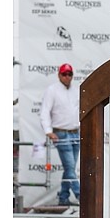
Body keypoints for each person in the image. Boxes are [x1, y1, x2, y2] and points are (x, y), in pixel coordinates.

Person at [40, 63, 81, 206]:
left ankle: (63, 197)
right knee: (70, 167)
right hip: (61, 134)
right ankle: (80, 196)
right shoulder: (52, 90)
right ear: (59, 75)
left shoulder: (76, 90)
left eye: (70, 74)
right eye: (64, 74)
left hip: (75, 133)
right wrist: (49, 131)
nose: (67, 77)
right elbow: (45, 111)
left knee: (70, 168)